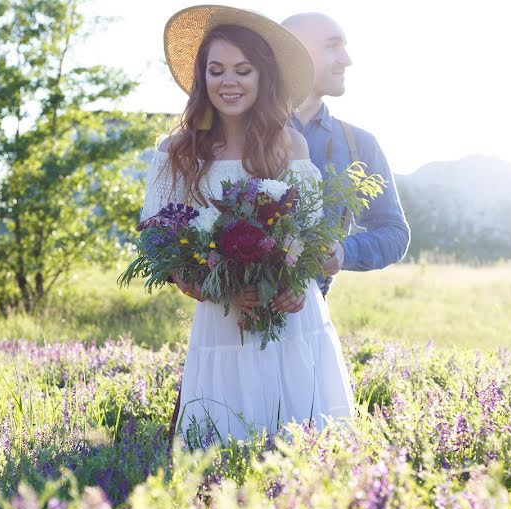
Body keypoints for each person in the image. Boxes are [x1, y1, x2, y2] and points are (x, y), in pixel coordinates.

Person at [145, 5, 354, 447]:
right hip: (223, 319)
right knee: (222, 449)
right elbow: (158, 241)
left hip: (289, 317)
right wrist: (209, 287)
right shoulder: (178, 151)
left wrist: (309, 274)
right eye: (216, 70)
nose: (229, 82)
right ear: (202, 78)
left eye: (243, 70)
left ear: (262, 77)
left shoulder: (288, 143)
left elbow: (313, 234)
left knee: (302, 450)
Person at [282, 13, 410, 295]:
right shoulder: (241, 134)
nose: (346, 59)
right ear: (296, 51)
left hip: (313, 319)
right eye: (332, 46)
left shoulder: (359, 144)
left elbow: (395, 232)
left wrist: (344, 250)